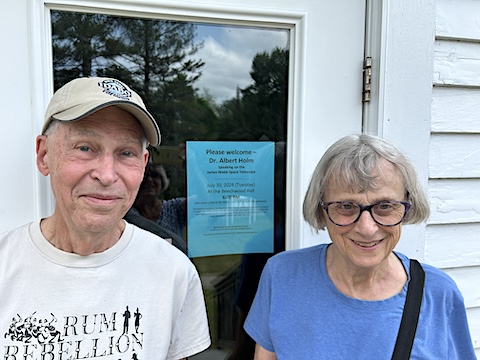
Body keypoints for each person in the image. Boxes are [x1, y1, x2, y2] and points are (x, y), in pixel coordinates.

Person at [0, 77, 210, 359]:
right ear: (44, 155)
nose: (107, 174)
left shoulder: (173, 272)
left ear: (143, 164)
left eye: (126, 153)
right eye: (85, 147)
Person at [244, 134, 476, 359]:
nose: (367, 228)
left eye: (385, 206)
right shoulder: (283, 275)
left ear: (408, 207)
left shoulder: (437, 294)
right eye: (346, 206)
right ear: (321, 209)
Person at [124, 161, 188, 254]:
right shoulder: (124, 213)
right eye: (144, 176)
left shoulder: (174, 208)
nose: (149, 180)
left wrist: (192, 167)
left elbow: (204, 200)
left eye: (155, 176)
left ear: (162, 181)